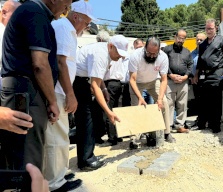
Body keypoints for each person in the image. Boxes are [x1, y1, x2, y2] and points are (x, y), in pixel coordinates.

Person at [0, 0, 71, 170]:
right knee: (26, 154)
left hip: (26, 90)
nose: (67, 8)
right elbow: (40, 64)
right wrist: (52, 101)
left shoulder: (35, 12)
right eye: (67, 3)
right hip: (24, 92)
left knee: (26, 149)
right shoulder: (36, 13)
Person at [43, 1, 94, 191]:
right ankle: (55, 183)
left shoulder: (68, 29)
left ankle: (60, 174)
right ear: (75, 17)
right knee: (56, 139)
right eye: (86, 23)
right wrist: (71, 95)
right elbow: (61, 63)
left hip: (60, 90)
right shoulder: (64, 28)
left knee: (62, 136)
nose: (87, 27)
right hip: (58, 90)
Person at [74, 35, 128, 171]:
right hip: (78, 83)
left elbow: (97, 78)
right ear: (110, 46)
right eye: (119, 53)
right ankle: (86, 160)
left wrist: (104, 89)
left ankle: (86, 156)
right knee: (87, 121)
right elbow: (94, 86)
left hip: (82, 81)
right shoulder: (101, 55)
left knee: (87, 120)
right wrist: (109, 112)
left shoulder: (103, 51)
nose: (120, 57)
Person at [129, 36, 176, 148]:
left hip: (154, 81)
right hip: (137, 83)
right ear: (145, 48)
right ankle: (134, 137)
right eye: (149, 53)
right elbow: (132, 79)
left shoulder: (163, 57)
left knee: (164, 102)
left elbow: (164, 79)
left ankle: (167, 133)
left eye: (154, 54)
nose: (151, 56)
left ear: (159, 50)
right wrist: (140, 97)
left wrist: (159, 99)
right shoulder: (135, 56)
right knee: (136, 108)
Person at [192, 18, 223, 133]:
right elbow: (200, 59)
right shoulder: (203, 44)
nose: (208, 31)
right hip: (204, 75)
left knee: (216, 100)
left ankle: (215, 125)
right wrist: (196, 74)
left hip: (217, 73)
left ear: (216, 28)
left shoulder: (222, 40)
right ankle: (203, 123)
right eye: (207, 28)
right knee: (204, 100)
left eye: (211, 28)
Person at [163, 29, 192, 134]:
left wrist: (185, 76)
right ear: (175, 37)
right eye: (179, 37)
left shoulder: (187, 51)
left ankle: (180, 125)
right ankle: (169, 126)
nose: (181, 40)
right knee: (169, 104)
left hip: (183, 82)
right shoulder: (167, 50)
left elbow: (190, 65)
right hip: (170, 81)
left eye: (183, 38)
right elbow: (163, 64)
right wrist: (170, 74)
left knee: (182, 104)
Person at [190, 33, 206, 128]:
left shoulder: (207, 52)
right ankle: (200, 119)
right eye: (198, 40)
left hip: (206, 80)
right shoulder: (192, 54)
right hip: (195, 81)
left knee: (206, 101)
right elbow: (189, 66)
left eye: (201, 40)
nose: (199, 41)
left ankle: (206, 120)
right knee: (198, 101)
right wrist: (191, 77)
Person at [133, 38, 154, 104]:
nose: (139, 50)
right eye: (136, 48)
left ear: (144, 45)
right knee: (141, 107)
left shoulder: (151, 56)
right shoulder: (134, 58)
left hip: (151, 85)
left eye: (140, 47)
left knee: (151, 107)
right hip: (140, 86)